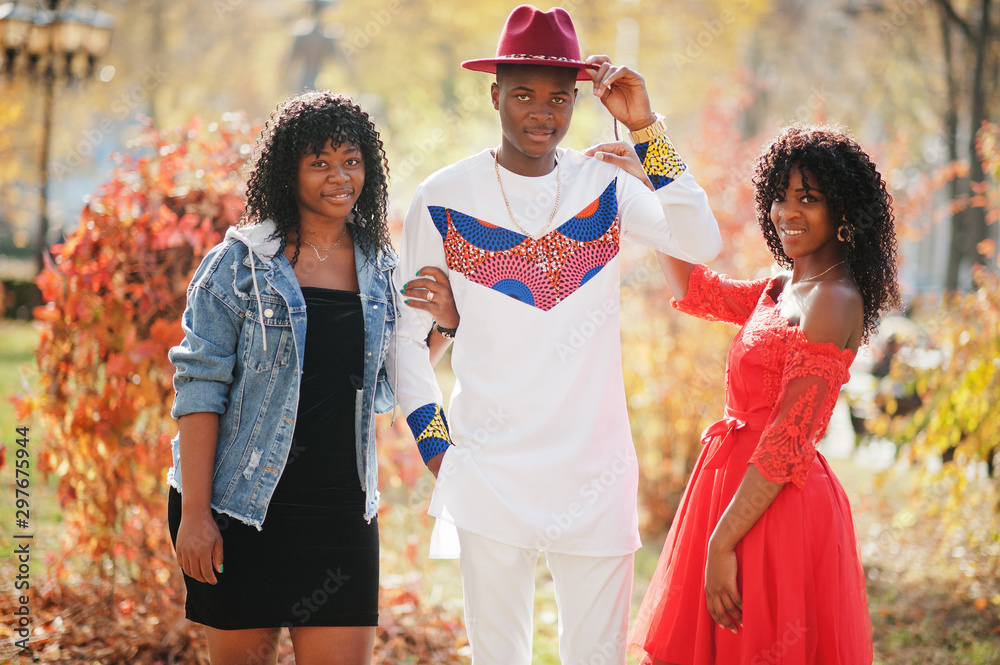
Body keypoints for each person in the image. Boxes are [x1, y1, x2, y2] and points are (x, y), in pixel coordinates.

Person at [391, 5, 721, 664]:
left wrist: (647, 130)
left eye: (560, 97)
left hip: (595, 472)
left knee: (596, 656)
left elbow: (698, 239)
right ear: (494, 95)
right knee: (498, 656)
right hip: (487, 472)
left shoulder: (604, 185)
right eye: (524, 94)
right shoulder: (442, 197)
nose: (544, 111)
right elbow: (405, 344)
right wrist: (440, 453)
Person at [166, 91, 458, 665]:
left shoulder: (382, 266)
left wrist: (445, 326)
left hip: (341, 512)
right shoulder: (240, 265)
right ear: (287, 171)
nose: (338, 177)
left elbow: (394, 373)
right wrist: (197, 515)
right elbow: (200, 392)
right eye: (318, 163)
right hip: (239, 506)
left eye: (351, 161)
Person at [590, 125, 898, 664]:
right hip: (727, 493)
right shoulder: (782, 285)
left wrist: (721, 542)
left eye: (809, 199)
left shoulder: (833, 299)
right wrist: (654, 175)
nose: (788, 212)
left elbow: (785, 442)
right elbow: (694, 288)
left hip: (773, 507)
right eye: (780, 197)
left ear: (844, 210)